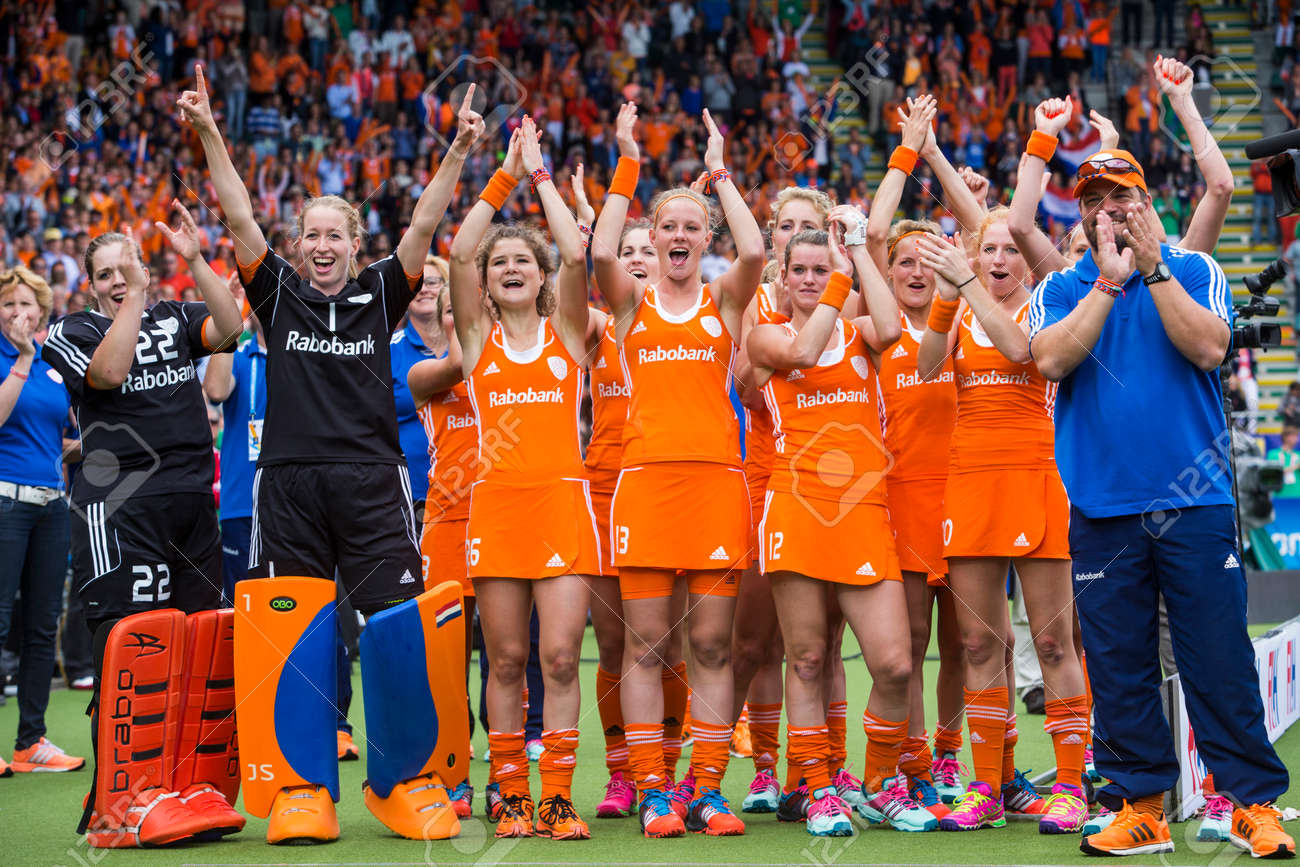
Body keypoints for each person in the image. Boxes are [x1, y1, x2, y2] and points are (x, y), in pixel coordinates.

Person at [187, 63, 481, 843]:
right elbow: (240, 215)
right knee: (296, 631)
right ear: (300, 245)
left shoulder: (381, 293)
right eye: (310, 235)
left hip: (372, 482)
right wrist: (212, 130)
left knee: (394, 623)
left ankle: (404, 780)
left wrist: (455, 150)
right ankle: (301, 787)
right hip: (285, 484)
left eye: (334, 235)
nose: (321, 245)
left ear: (355, 245)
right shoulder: (276, 293)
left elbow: (422, 227)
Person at [1029, 148, 1295, 860]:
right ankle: (1139, 805)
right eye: (1094, 198)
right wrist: (1109, 287)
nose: (1107, 209)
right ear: (1080, 213)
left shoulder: (1196, 269)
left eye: (1122, 196)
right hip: (1102, 504)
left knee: (1218, 656)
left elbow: (1209, 347)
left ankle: (1251, 804)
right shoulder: (1061, 285)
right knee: (1118, 664)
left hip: (1195, 500)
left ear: (1147, 202)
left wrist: (1151, 270)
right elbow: (1051, 361)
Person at [911, 91, 1090, 838]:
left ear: (1026, 255)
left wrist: (1041, 140)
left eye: (1009, 249)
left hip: (1037, 477)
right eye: (987, 250)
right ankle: (988, 787)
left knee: (1054, 641)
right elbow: (924, 366)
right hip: (970, 480)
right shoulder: (959, 308)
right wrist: (947, 304)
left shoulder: (1046, 301)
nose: (999, 257)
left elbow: (1022, 355)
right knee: (983, 640)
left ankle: (1074, 785)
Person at [42, 206, 245, 845]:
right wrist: (133, 294)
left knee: (200, 642)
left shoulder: (178, 315)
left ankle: (180, 785)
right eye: (105, 274)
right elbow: (108, 373)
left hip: (189, 498)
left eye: (124, 269)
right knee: (128, 646)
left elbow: (231, 331)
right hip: (117, 501)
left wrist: (191, 262)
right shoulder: (70, 329)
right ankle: (115, 799)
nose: (116, 280)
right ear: (92, 283)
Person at [591, 104, 765, 838]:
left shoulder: (725, 300)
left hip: (717, 483)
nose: (682, 236)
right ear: (654, 239)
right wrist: (628, 159)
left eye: (695, 226)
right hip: (647, 484)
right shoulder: (628, 306)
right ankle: (653, 785)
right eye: (671, 226)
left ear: (706, 239)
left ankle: (708, 785)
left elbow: (755, 251)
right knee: (645, 643)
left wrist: (719, 169)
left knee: (714, 644)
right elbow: (599, 251)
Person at [751, 222, 944, 838]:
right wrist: (840, 278)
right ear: (783, 278)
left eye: (819, 269)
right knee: (807, 659)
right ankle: (817, 789)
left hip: (863, 512)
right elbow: (805, 352)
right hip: (796, 508)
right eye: (800, 271)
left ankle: (879, 783)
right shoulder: (765, 336)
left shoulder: (861, 334)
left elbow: (890, 329)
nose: (811, 280)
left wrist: (859, 248)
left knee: (892, 664)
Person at [447, 118, 598, 841]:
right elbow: (458, 249)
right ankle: (509, 792)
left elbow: (575, 248)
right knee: (504, 657)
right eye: (500, 261)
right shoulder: (475, 342)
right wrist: (501, 174)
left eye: (523, 262)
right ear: (487, 280)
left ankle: (558, 796)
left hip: (563, 508)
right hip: (498, 511)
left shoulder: (569, 335)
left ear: (540, 279)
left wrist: (539, 175)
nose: (510, 267)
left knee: (560, 655)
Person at [579, 119, 691, 822]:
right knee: (616, 639)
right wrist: (623, 165)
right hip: (603, 486)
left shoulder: (689, 316)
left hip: (672, 484)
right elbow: (583, 259)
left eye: (646, 251)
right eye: (628, 253)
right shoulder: (598, 322)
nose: (640, 260)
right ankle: (623, 772)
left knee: (673, 638)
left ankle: (669, 770)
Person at [0, 266, 82, 776]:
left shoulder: (54, 368)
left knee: (41, 623)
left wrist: (97, 447)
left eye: (27, 305)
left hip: (53, 504)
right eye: (9, 304)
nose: (17, 313)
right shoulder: (20, 360)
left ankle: (31, 742)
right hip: (5, 502)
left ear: (42, 311)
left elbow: (61, 441)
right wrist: (23, 361)